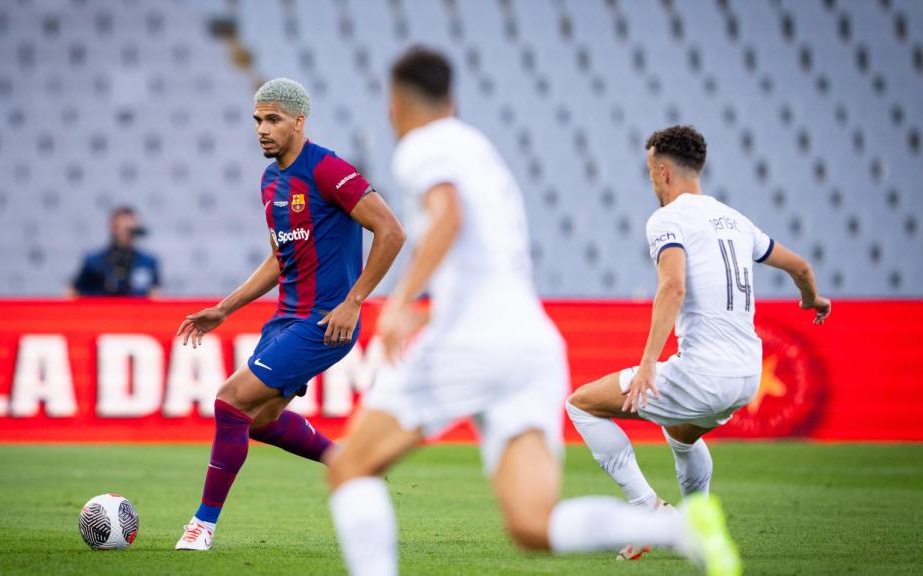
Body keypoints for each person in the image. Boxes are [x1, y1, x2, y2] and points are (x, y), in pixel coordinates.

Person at [325, 48, 741, 576]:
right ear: (452, 99)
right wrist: (433, 313)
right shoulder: (481, 153)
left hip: (474, 342)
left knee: (349, 467)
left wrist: (400, 303)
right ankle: (677, 528)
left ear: (396, 103)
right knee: (531, 524)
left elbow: (448, 216)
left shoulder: (421, 146)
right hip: (530, 345)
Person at [566, 125, 831, 561]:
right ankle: (700, 526)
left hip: (704, 375)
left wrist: (648, 363)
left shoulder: (667, 219)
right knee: (682, 435)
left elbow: (673, 287)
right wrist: (811, 299)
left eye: (650, 172)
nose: (652, 181)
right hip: (746, 376)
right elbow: (800, 266)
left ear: (664, 171)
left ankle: (649, 513)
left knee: (581, 405)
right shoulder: (736, 220)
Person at [173, 77, 406, 551]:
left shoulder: (328, 169)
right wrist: (224, 308)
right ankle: (351, 463)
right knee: (258, 420)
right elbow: (281, 259)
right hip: (285, 319)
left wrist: (353, 301)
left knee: (229, 401)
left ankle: (201, 525)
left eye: (273, 119)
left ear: (299, 122)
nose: (262, 129)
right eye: (258, 119)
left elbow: (391, 231)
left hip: (325, 321)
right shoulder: (271, 181)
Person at [69, 206, 161, 297]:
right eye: (125, 229)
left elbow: (154, 295)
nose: (129, 234)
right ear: (113, 228)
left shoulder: (147, 262)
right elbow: (73, 292)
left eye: (132, 229)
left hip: (135, 306)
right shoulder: (94, 261)